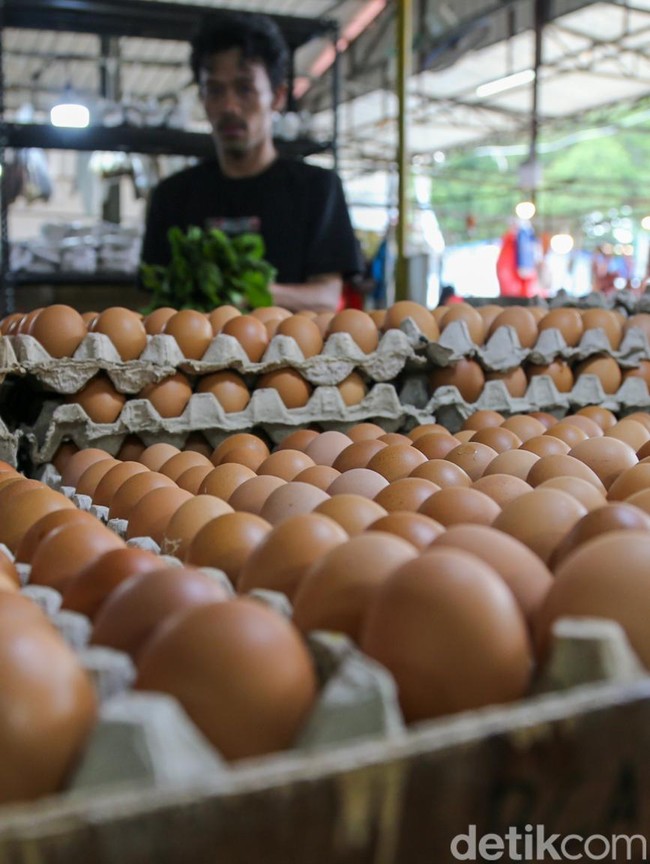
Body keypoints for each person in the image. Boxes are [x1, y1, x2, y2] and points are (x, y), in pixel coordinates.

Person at [140, 11, 362, 312]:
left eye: (245, 89)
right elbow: (154, 301)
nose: (229, 107)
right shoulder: (172, 196)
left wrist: (253, 294)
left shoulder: (318, 189)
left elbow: (326, 297)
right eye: (215, 90)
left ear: (277, 97)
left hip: (294, 355)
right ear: (202, 99)